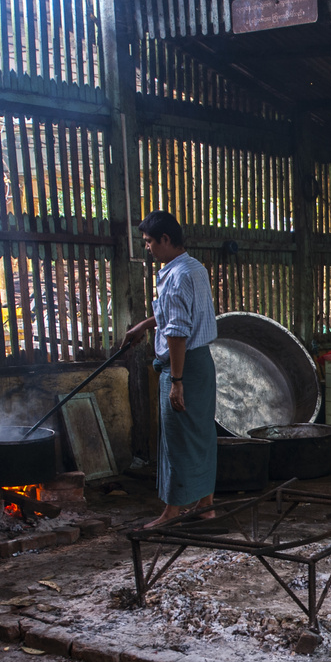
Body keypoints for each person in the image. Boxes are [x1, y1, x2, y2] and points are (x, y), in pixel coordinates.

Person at [123, 211, 218, 527]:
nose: (147, 247)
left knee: (176, 440)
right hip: (201, 362)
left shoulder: (176, 276)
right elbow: (178, 316)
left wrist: (176, 380)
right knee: (201, 437)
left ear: (165, 239)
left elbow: (178, 331)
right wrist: (145, 325)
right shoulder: (195, 268)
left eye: (149, 241)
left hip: (184, 368)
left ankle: (171, 512)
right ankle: (206, 505)